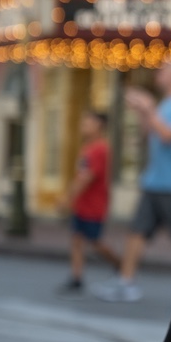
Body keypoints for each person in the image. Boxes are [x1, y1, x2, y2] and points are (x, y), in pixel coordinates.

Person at [95, 63, 171, 303]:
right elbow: (150, 133)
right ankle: (126, 282)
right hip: (155, 181)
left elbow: (169, 136)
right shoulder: (167, 103)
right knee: (137, 231)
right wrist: (142, 112)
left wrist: (148, 109)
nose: (159, 72)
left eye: (165, 69)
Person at [56, 109, 122, 296]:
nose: (84, 127)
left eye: (88, 123)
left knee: (95, 241)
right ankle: (76, 278)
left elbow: (87, 177)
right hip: (82, 203)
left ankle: (119, 264)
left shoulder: (100, 149)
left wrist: (67, 198)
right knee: (77, 239)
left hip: (94, 203)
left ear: (99, 125)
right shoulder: (87, 147)